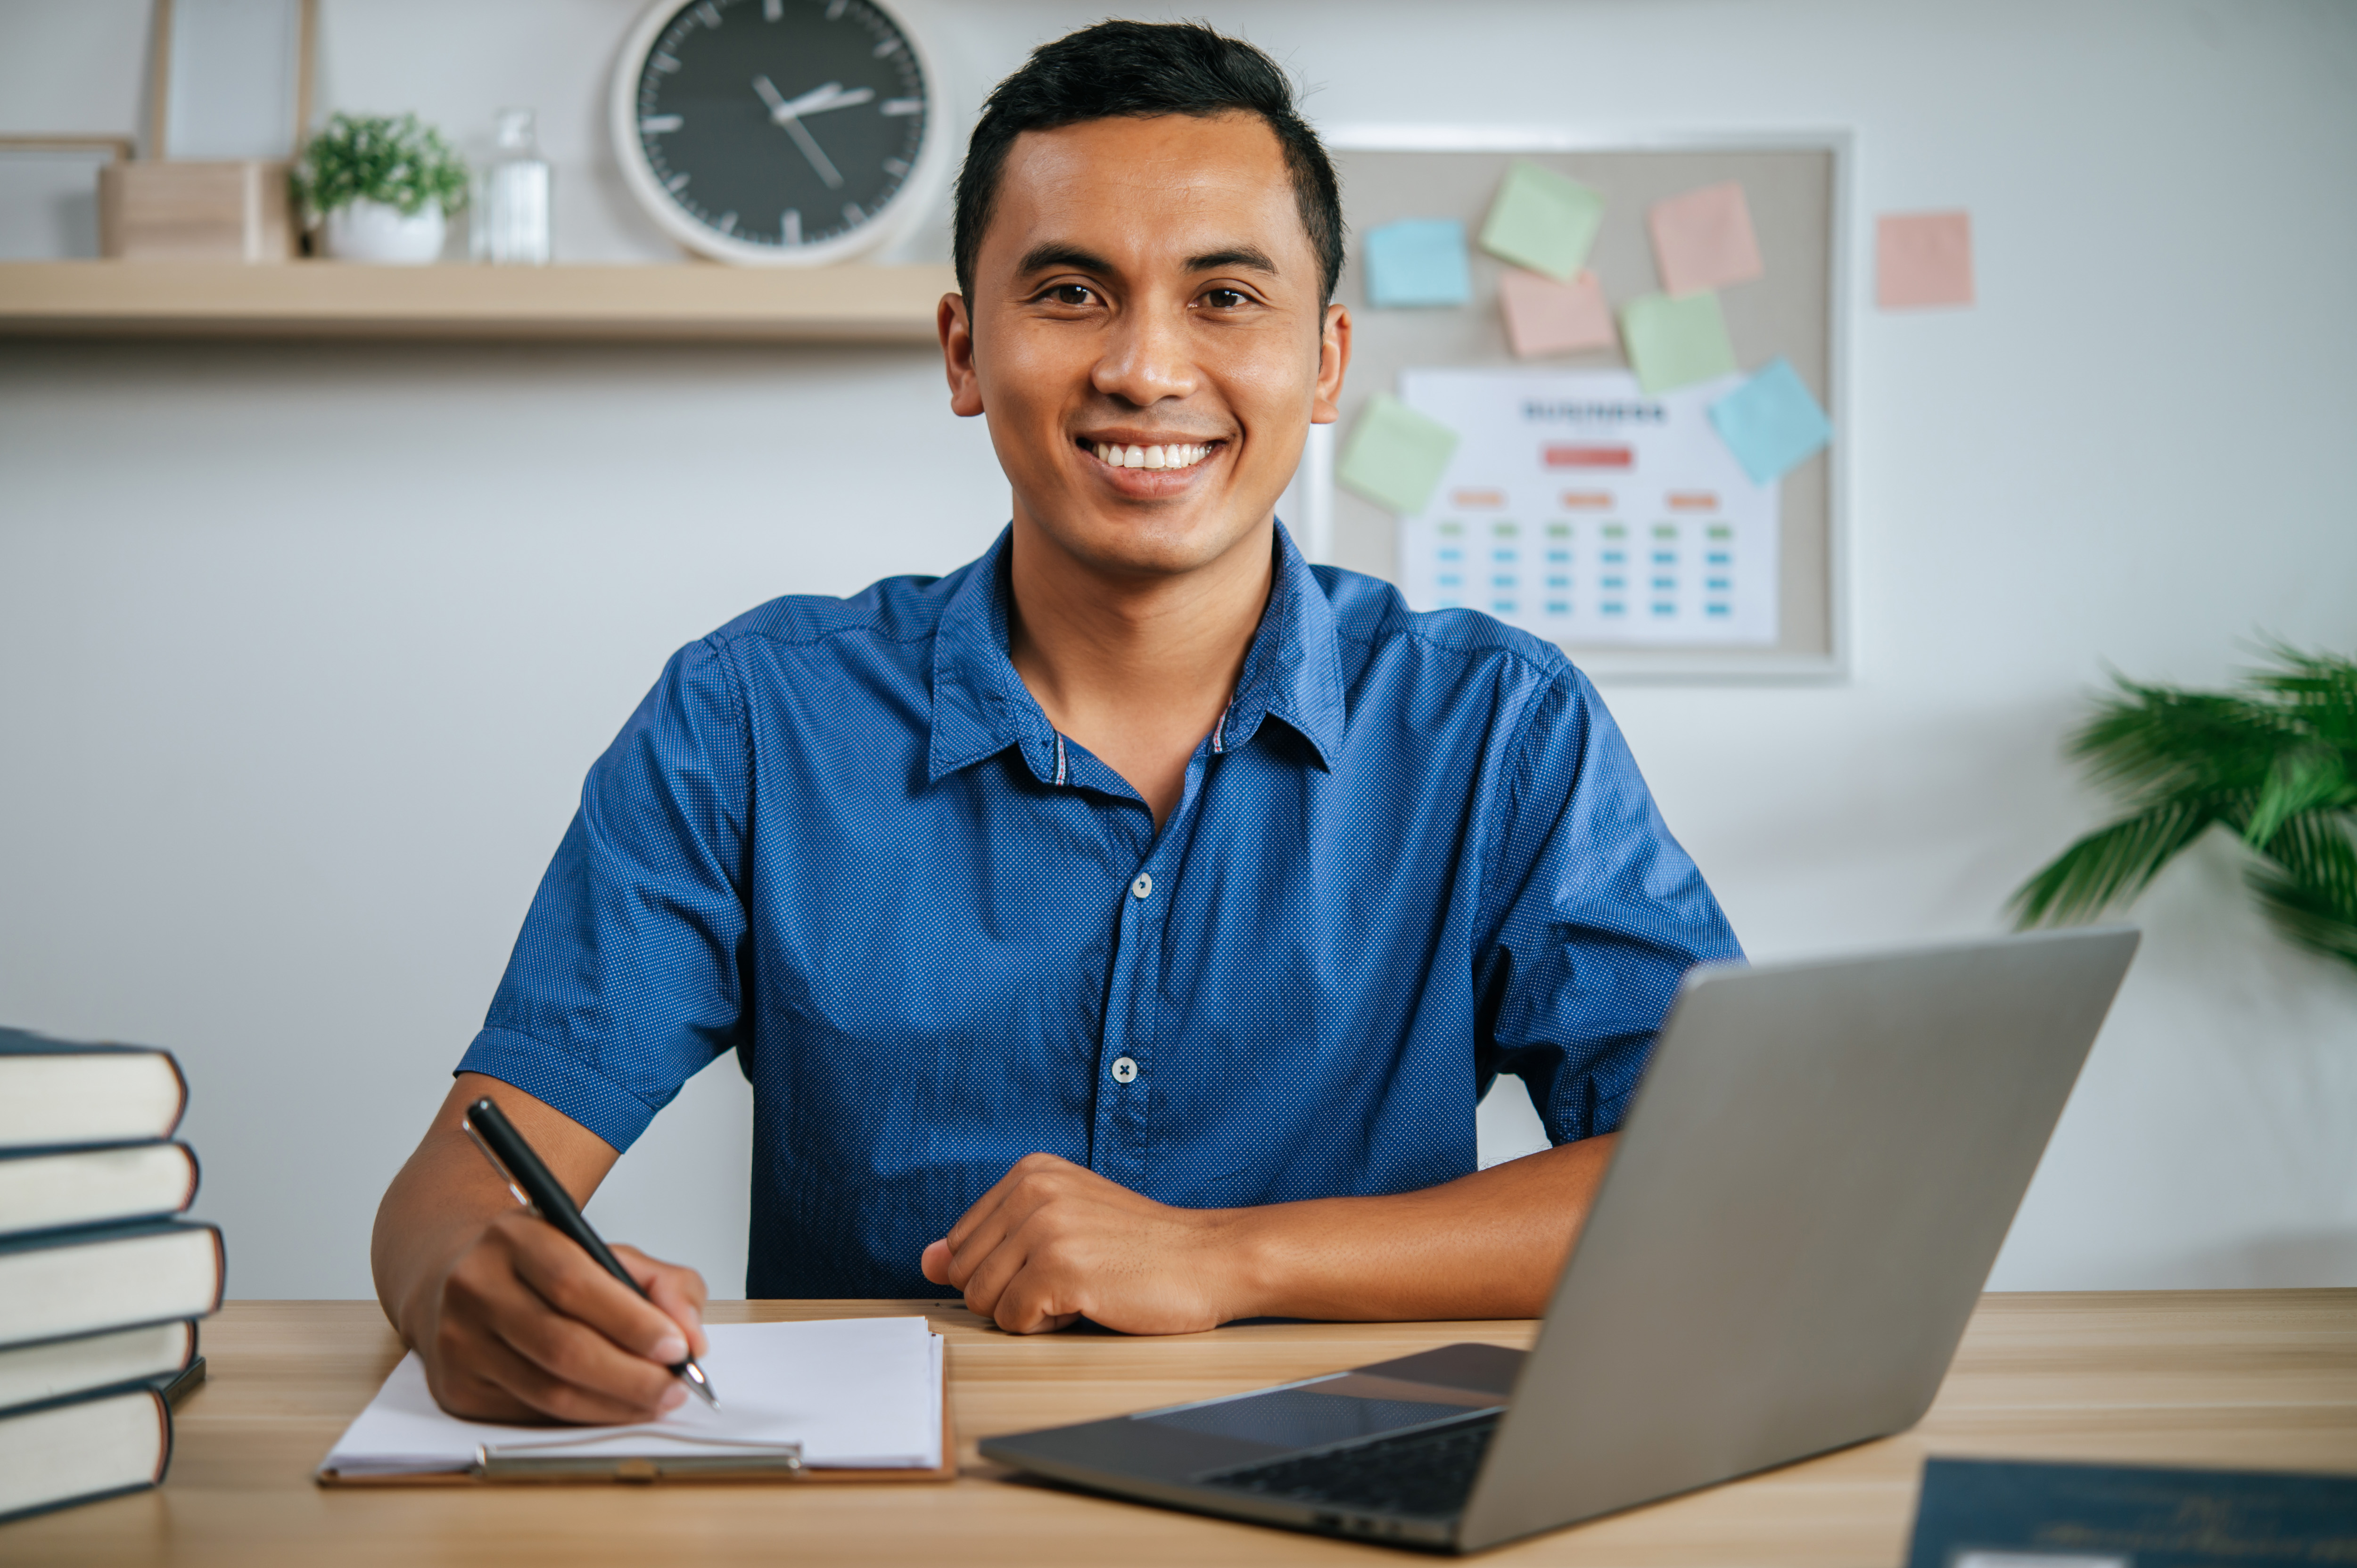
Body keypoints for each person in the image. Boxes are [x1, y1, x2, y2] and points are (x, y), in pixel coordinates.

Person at [372, 20, 1740, 1426]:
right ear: (966, 351)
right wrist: (465, 1281)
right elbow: (459, 1187)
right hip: (899, 1513)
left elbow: (1724, 1181)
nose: (1147, 369)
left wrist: (1227, 1257)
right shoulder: (751, 720)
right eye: (1075, 292)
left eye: (1224, 297)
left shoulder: (1497, 730)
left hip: (1347, 1486)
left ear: (1325, 364)